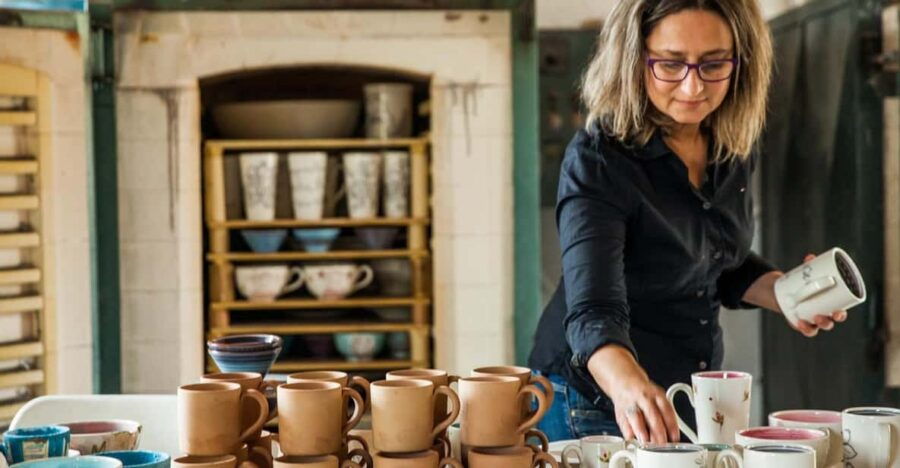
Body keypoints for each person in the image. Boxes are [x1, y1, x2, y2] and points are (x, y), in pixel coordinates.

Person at [528, 0, 848, 444]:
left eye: (713, 64)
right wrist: (628, 386)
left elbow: (719, 261)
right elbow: (592, 312)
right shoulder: (599, 160)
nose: (694, 86)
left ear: (741, 62)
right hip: (594, 399)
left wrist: (786, 292)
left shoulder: (730, 145)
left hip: (687, 395)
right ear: (634, 60)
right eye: (671, 64)